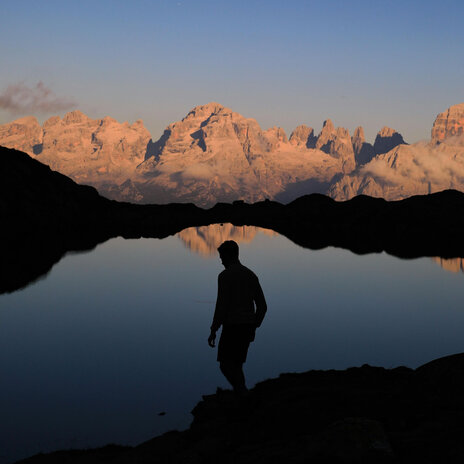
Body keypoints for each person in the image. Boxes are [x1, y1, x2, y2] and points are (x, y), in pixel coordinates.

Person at [208, 240, 267, 394]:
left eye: (222, 257)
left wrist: (214, 329)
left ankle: (241, 392)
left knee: (225, 364)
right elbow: (262, 306)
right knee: (237, 364)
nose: (221, 261)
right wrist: (254, 325)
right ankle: (241, 394)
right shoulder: (250, 275)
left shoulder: (224, 276)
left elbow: (221, 306)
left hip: (232, 327)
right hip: (247, 326)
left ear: (228, 255)